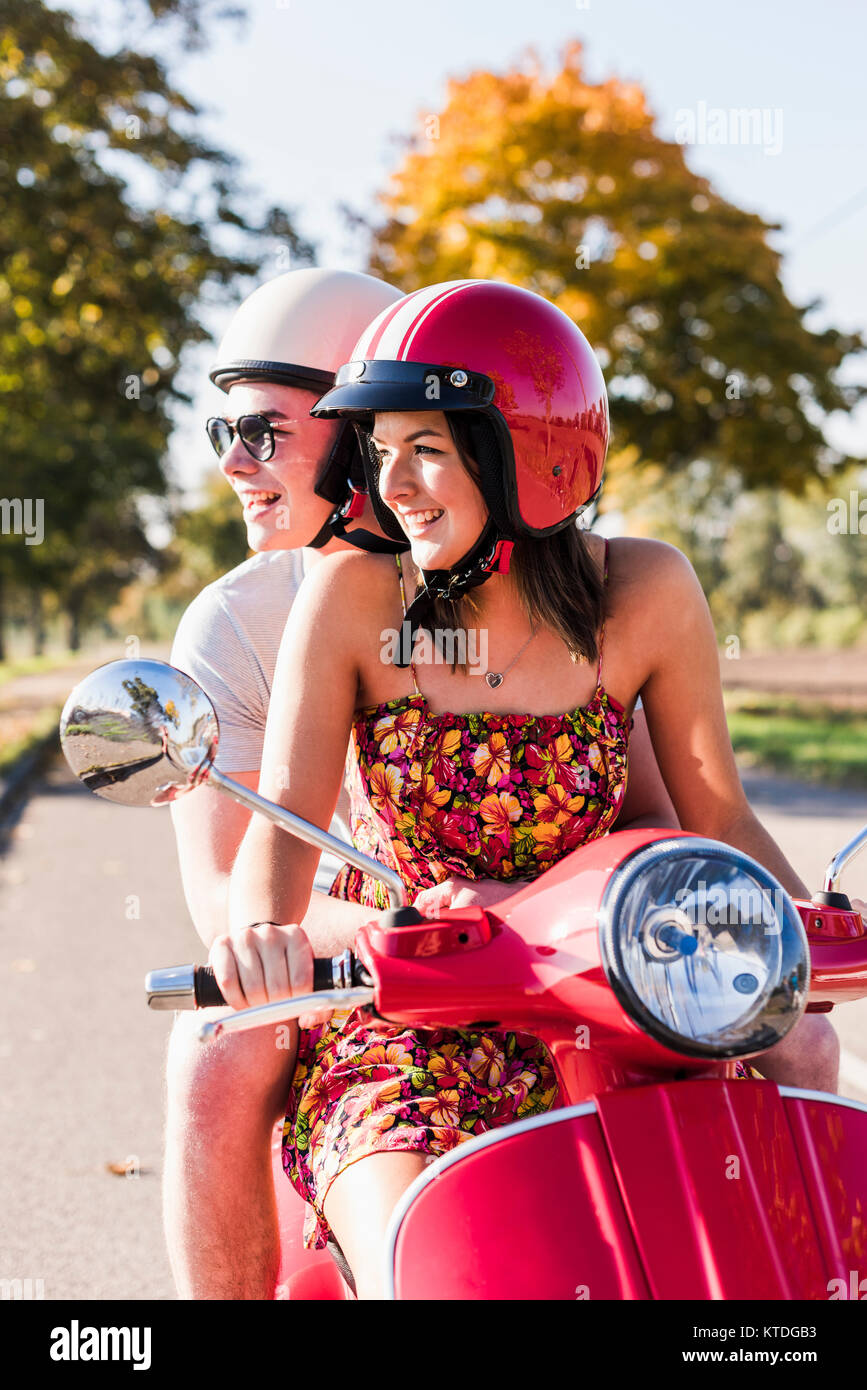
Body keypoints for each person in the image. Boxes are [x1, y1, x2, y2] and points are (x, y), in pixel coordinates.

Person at [222, 278, 842, 1300]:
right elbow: (283, 828)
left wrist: (816, 919)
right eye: (379, 450)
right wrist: (258, 933)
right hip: (412, 1011)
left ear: (533, 457)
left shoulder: (645, 592)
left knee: (761, 1254)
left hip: (621, 1005)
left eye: (426, 446)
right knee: (424, 1257)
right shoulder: (351, 596)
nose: (397, 483)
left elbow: (716, 813)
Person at [164, 268, 682, 1300]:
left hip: (570, 958)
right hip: (377, 956)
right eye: (223, 429)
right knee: (212, 1050)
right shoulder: (243, 618)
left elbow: (655, 813)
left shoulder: (603, 590)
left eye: (265, 429)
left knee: (786, 1042)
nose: (233, 462)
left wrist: (549, 924)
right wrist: (423, 929)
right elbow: (230, 898)